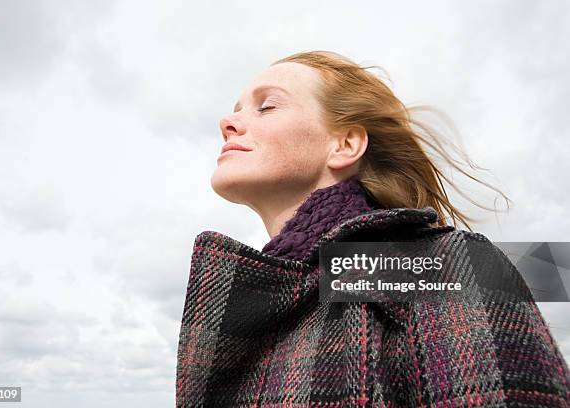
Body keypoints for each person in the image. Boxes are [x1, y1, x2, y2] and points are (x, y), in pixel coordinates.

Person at [175, 50, 570, 407]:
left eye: (267, 106)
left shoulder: (433, 264)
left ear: (345, 144)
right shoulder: (277, 299)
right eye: (236, 108)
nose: (227, 122)